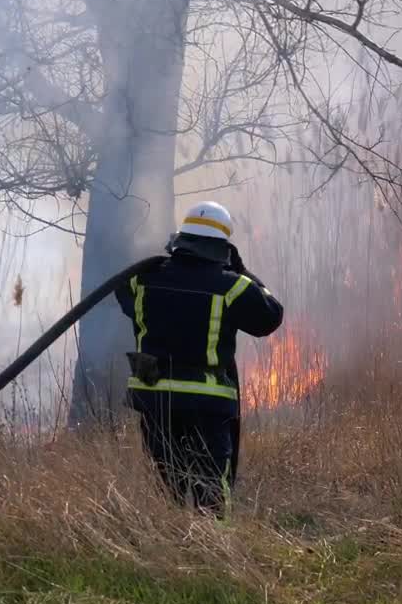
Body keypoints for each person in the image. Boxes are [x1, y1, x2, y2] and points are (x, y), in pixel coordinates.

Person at [116, 201, 284, 515]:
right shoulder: (232, 286)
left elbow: (124, 296)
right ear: (223, 248)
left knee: (170, 481)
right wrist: (245, 272)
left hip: (156, 400)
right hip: (206, 402)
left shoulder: (142, 281)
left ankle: (173, 544)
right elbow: (270, 316)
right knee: (211, 486)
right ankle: (213, 551)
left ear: (181, 239)